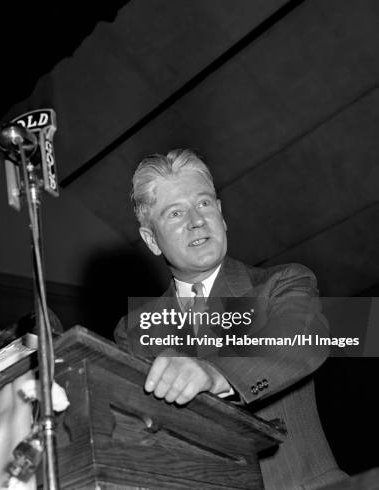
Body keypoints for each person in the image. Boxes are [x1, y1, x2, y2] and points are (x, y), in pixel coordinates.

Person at [114, 149, 346, 490]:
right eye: (175, 213)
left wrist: (215, 373)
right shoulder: (134, 331)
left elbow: (302, 336)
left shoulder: (281, 282)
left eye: (204, 203)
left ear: (221, 215)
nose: (196, 220)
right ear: (151, 240)